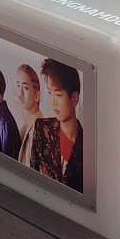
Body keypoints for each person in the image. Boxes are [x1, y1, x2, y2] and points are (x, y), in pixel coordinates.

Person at [29, 59, 83, 192]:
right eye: (49, 93)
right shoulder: (41, 129)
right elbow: (32, 179)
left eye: (58, 95)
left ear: (74, 98)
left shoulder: (88, 147)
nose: (53, 102)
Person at [15, 64, 43, 166]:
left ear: (36, 96)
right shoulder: (28, 124)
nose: (20, 94)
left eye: (25, 88)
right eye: (18, 86)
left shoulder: (38, 128)